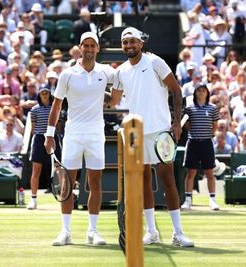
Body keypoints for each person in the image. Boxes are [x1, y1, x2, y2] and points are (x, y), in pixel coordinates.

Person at [110, 27, 194, 247]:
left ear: (141, 43)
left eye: (132, 42)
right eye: (125, 42)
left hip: (160, 130)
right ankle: (152, 232)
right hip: (137, 133)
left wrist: (176, 122)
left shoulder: (155, 62)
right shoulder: (120, 72)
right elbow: (113, 100)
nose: (129, 46)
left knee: (168, 180)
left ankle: (178, 233)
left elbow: (176, 90)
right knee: (145, 181)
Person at [44, 32, 113, 246]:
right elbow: (56, 105)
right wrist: (49, 134)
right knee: (67, 182)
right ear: (80, 48)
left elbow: (127, 76)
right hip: (73, 134)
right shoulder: (67, 74)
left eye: (93, 45)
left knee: (95, 183)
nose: (90, 48)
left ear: (98, 49)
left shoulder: (106, 72)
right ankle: (65, 231)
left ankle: (92, 231)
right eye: (86, 45)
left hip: (95, 134)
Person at [180, 83, 220, 211]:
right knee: (191, 172)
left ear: (207, 93)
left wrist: (210, 135)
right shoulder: (189, 108)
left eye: (203, 90)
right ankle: (187, 200)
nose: (201, 92)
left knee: (209, 173)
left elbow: (215, 125)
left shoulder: (213, 108)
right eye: (198, 90)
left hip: (207, 143)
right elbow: (187, 125)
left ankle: (212, 200)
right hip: (193, 143)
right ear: (195, 93)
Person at [27, 87, 51, 210]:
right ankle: (33, 199)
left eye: (47, 93)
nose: (45, 95)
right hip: (39, 139)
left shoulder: (55, 107)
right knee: (36, 170)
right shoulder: (34, 110)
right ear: (39, 95)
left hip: (53, 138)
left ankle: (66, 198)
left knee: (59, 168)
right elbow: (33, 127)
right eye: (42, 93)